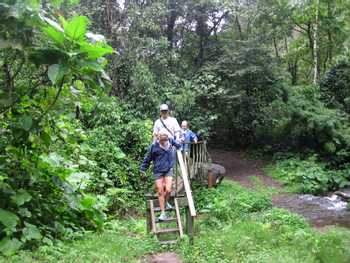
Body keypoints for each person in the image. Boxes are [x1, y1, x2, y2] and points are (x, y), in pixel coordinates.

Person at [140, 129, 181, 221]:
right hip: (158, 171)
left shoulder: (170, 141)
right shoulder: (153, 146)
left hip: (168, 169)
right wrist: (143, 169)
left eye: (165, 140)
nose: (163, 142)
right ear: (158, 138)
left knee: (169, 189)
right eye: (161, 140)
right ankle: (163, 213)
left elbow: (179, 146)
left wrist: (179, 143)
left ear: (167, 138)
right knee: (160, 191)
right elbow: (147, 159)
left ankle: (166, 202)